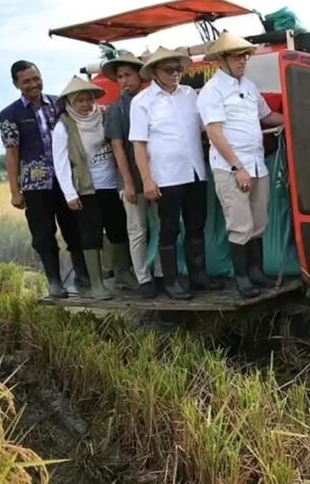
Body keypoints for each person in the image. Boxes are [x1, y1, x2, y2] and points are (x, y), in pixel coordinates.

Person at [129, 47, 223, 299]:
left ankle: (198, 275)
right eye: (169, 70)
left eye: (179, 69)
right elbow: (138, 144)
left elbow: (209, 127)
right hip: (165, 176)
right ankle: (171, 282)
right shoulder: (142, 102)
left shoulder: (191, 94)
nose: (175, 74)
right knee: (169, 229)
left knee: (196, 225)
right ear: (155, 73)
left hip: (194, 172)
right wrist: (147, 179)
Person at [196, 32, 285, 297]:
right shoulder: (212, 91)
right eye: (236, 56)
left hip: (257, 162)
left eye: (244, 56)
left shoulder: (248, 85)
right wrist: (238, 168)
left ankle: (256, 271)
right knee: (240, 223)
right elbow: (214, 133)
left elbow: (267, 116)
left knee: (259, 221)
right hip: (232, 167)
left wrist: (295, 117)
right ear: (221, 60)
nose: (242, 60)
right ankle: (242, 277)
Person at [0, 60, 89, 298]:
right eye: (26, 81)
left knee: (74, 228)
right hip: (35, 186)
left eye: (36, 78)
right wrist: (14, 190)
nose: (33, 84)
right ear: (16, 84)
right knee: (43, 234)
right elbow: (12, 152)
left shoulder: (59, 104)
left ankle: (82, 273)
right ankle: (55, 282)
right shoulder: (10, 115)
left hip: (66, 181)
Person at [50, 76, 139, 299]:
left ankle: (122, 273)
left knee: (118, 228)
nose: (85, 105)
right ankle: (97, 283)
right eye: (79, 100)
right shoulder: (64, 126)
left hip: (111, 183)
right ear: (70, 102)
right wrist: (70, 194)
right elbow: (60, 162)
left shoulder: (104, 115)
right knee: (91, 234)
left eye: (88, 99)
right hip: (86, 188)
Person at [101, 50, 162, 298]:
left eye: (128, 75)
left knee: (161, 226)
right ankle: (143, 277)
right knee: (137, 230)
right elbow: (117, 146)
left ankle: (161, 272)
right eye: (120, 77)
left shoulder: (153, 101)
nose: (124, 81)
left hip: (158, 174)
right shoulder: (117, 109)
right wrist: (128, 183)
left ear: (141, 75)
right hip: (132, 179)